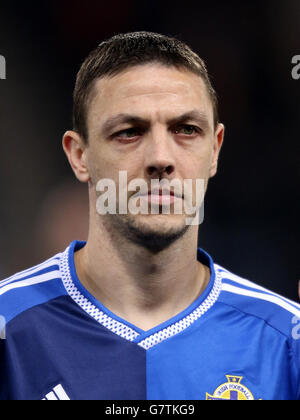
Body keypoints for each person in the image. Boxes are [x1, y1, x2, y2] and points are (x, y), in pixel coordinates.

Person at [0, 32, 299, 401]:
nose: (161, 157)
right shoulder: (8, 328)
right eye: (129, 132)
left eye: (186, 130)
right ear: (79, 155)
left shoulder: (286, 341)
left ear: (215, 151)